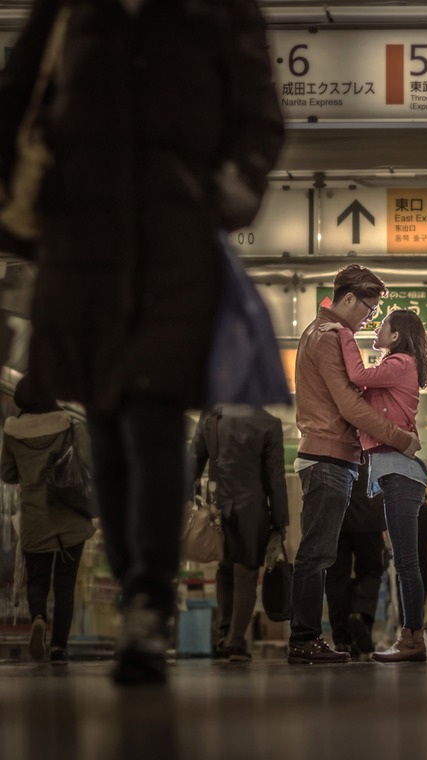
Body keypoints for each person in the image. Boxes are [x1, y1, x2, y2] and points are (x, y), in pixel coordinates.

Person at [0, 0, 283, 685]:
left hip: (173, 243)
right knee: (104, 415)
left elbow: (258, 114)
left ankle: (147, 599)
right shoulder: (69, 10)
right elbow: (14, 99)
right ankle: (136, 583)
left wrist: (224, 191)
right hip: (82, 244)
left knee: (153, 414)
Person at [290, 266, 419, 666]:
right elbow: (350, 405)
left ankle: (307, 637)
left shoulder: (320, 333)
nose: (371, 317)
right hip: (328, 455)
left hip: (331, 455)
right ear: (349, 299)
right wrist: (402, 439)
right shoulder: (332, 336)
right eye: (369, 307)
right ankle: (304, 639)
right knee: (317, 554)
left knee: (322, 553)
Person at [325, 308, 427, 663]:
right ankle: (412, 637)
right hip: (395, 472)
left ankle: (413, 639)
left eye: (382, 324)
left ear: (397, 334)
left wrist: (343, 333)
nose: (376, 327)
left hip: (402, 473)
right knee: (404, 563)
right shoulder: (399, 365)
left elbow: (356, 374)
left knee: (406, 564)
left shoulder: (400, 362)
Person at [1, 376, 95, 664]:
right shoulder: (70, 425)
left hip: (34, 518)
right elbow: (89, 461)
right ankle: (58, 648)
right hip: (69, 516)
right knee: (65, 584)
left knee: (38, 580)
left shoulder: (12, 432)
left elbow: (6, 473)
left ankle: (39, 616)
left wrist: (30, 476)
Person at [187, 405, 288, 664]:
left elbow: (193, 462)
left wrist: (186, 503)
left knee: (224, 568)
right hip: (252, 510)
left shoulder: (212, 415)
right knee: (246, 573)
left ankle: (223, 636)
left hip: (217, 505)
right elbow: (275, 478)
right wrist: (280, 521)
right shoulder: (269, 423)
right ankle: (236, 641)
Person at [326, 464, 389, 658]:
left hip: (337, 515)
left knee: (337, 577)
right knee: (371, 571)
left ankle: (342, 639)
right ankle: (360, 614)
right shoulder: (373, 438)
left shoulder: (335, 436)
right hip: (369, 515)